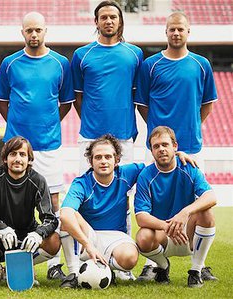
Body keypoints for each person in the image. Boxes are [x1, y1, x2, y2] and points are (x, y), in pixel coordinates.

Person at [134, 12, 217, 280]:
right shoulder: (151, 65)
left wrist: (184, 136)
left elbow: (206, 105)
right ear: (166, 32)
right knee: (155, 202)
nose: (176, 33)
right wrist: (162, 138)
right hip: (159, 145)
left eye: (181, 29)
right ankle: (155, 263)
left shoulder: (202, 64)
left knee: (202, 206)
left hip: (190, 145)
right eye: (172, 29)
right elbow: (144, 106)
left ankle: (198, 266)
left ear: (188, 31)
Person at [0, 11, 74, 279]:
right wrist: (19, 134)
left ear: (45, 31)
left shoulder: (61, 63)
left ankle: (53, 266)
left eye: (38, 30)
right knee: (9, 202)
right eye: (29, 30)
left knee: (51, 204)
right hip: (16, 146)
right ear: (22, 33)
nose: (34, 35)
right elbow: (2, 101)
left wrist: (47, 124)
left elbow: (65, 103)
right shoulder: (10, 63)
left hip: (48, 144)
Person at [69, 0, 143, 280]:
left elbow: (137, 94)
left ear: (120, 21)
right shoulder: (82, 55)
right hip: (90, 136)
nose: (108, 21)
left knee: (123, 197)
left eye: (113, 16)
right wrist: (93, 125)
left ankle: (121, 258)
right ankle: (79, 258)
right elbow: (78, 97)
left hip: (124, 135)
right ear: (96, 21)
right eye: (103, 17)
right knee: (81, 198)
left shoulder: (134, 54)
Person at [135, 126, 217, 288]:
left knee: (205, 213)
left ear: (175, 146)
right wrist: (167, 226)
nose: (161, 149)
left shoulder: (189, 167)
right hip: (163, 235)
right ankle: (162, 266)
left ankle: (196, 270)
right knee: (142, 237)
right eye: (156, 146)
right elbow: (141, 216)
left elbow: (211, 196)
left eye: (165, 145)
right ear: (151, 151)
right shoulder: (146, 175)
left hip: (189, 234)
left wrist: (185, 212)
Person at [0, 136, 60, 288]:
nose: (18, 159)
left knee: (54, 241)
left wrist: (38, 233)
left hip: (27, 239)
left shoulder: (38, 180)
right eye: (13, 154)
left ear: (29, 159)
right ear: (5, 158)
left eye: (22, 154)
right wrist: (2, 228)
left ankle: (22, 267)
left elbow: (50, 218)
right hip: (1, 237)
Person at [59, 134, 142, 288]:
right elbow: (65, 214)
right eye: (98, 157)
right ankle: (74, 274)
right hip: (87, 237)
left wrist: (177, 155)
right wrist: (87, 244)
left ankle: (106, 270)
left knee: (130, 258)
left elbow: (157, 167)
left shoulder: (126, 174)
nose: (103, 161)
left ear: (116, 160)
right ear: (91, 161)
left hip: (116, 236)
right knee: (68, 215)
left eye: (108, 157)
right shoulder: (82, 183)